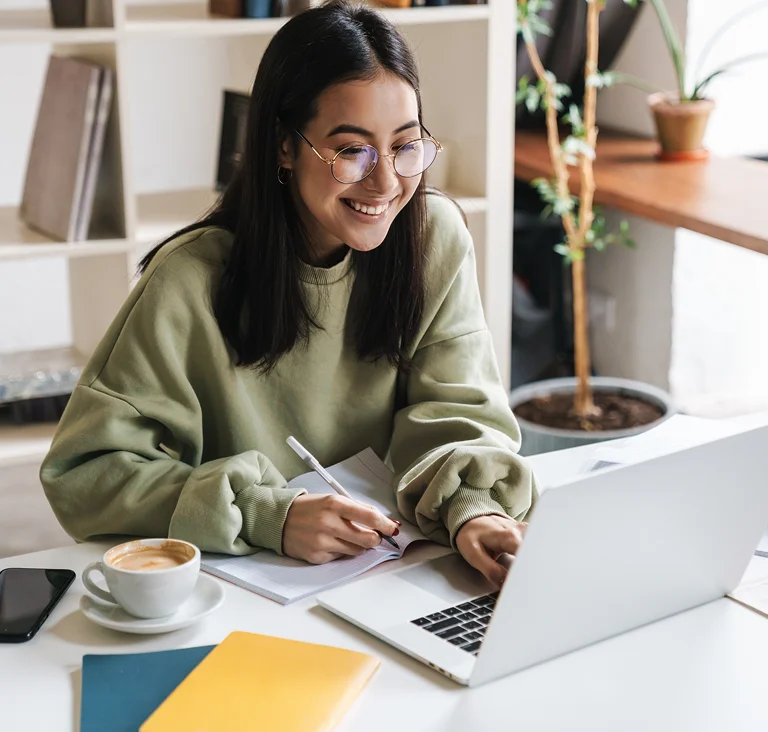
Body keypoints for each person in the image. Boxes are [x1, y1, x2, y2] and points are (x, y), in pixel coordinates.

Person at [40, 0, 537, 587]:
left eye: (406, 145)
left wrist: (473, 508)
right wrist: (267, 514)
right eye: (353, 150)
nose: (386, 182)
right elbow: (85, 474)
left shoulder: (435, 239)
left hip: (398, 576)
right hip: (243, 595)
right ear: (283, 146)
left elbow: (458, 414)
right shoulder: (189, 280)